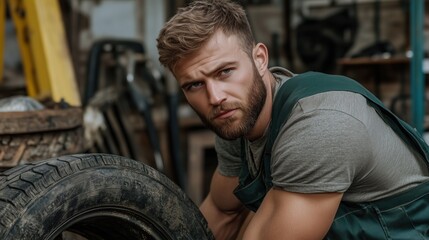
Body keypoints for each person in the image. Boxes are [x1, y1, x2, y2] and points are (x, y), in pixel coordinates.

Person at [156, 0, 429, 239]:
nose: (215, 97)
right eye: (194, 85)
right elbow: (222, 212)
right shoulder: (237, 118)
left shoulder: (319, 124)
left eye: (225, 71)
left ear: (260, 58)